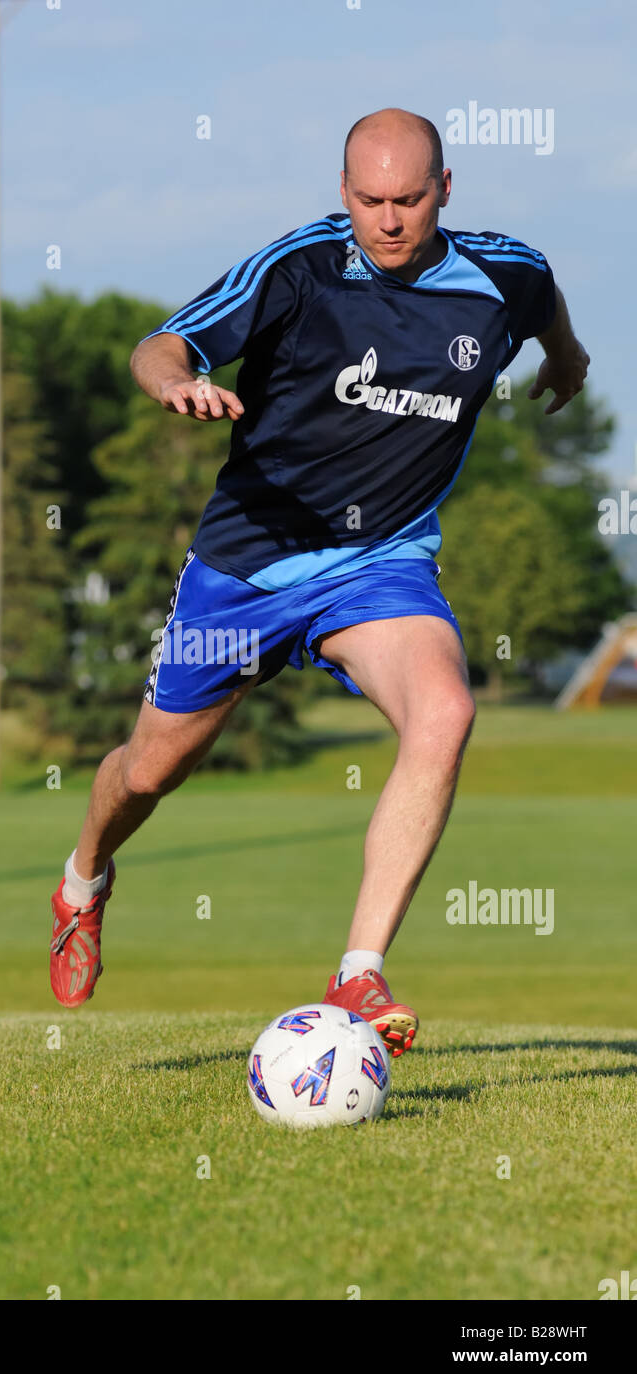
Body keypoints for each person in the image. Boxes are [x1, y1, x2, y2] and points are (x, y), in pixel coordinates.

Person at [49, 107, 589, 1056]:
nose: (388, 220)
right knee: (150, 769)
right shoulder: (296, 268)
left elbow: (546, 308)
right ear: (343, 194)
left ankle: (358, 973)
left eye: (409, 200)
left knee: (445, 714)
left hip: (380, 566)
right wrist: (176, 383)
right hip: (247, 565)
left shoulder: (502, 273)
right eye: (369, 200)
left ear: (445, 190)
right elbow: (161, 344)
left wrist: (569, 359)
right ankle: (84, 876)